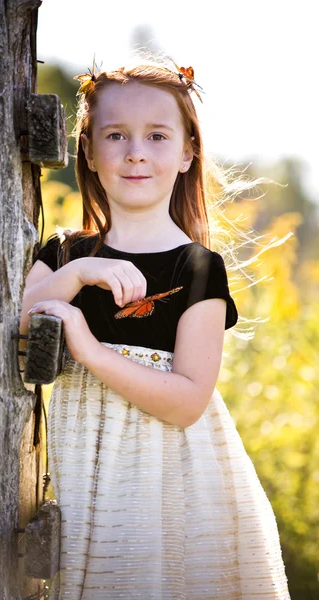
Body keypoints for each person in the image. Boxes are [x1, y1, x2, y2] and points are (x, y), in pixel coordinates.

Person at [20, 55, 290, 599]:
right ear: (89, 153)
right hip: (85, 472)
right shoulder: (65, 254)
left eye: (158, 136)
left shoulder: (196, 268)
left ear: (188, 151)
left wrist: (90, 350)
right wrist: (80, 272)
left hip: (173, 477)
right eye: (115, 135)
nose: (136, 151)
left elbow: (189, 400)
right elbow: (19, 321)